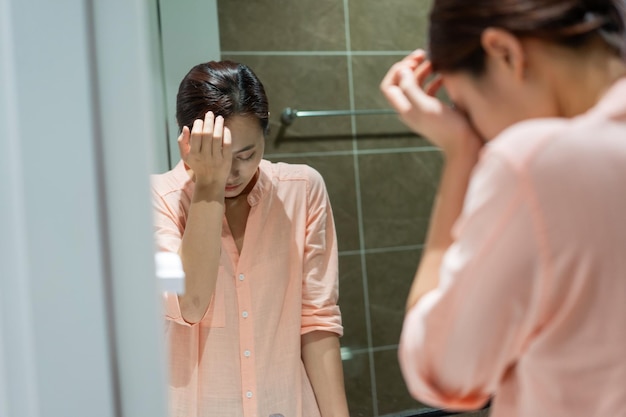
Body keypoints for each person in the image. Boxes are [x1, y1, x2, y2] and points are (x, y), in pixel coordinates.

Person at [380, 1, 626, 416]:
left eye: (468, 107)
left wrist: (462, 153)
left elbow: (441, 373)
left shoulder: (536, 163)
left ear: (504, 52)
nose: (479, 127)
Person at [151, 60, 349, 417]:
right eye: (221, 157)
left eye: (247, 154)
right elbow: (189, 304)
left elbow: (317, 322)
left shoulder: (301, 191)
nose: (235, 172)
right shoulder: (155, 201)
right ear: (187, 142)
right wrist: (207, 185)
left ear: (264, 136)